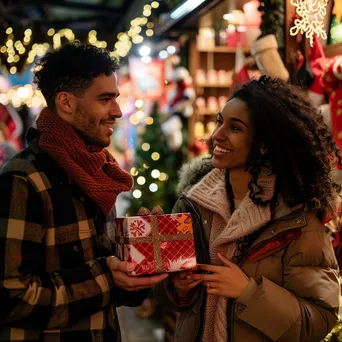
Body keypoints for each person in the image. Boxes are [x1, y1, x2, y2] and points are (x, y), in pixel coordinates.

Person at [0, 42, 168, 341]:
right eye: (105, 99)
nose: (116, 111)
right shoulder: (24, 179)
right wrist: (106, 277)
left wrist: (137, 261)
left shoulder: (97, 173)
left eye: (115, 98)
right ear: (66, 103)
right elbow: (10, 298)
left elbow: (108, 287)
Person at [155, 76, 341, 342]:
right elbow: (169, 301)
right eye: (220, 122)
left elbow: (320, 320)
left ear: (264, 143)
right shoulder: (192, 205)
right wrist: (177, 287)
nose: (217, 135)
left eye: (235, 128)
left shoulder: (295, 218)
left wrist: (248, 292)